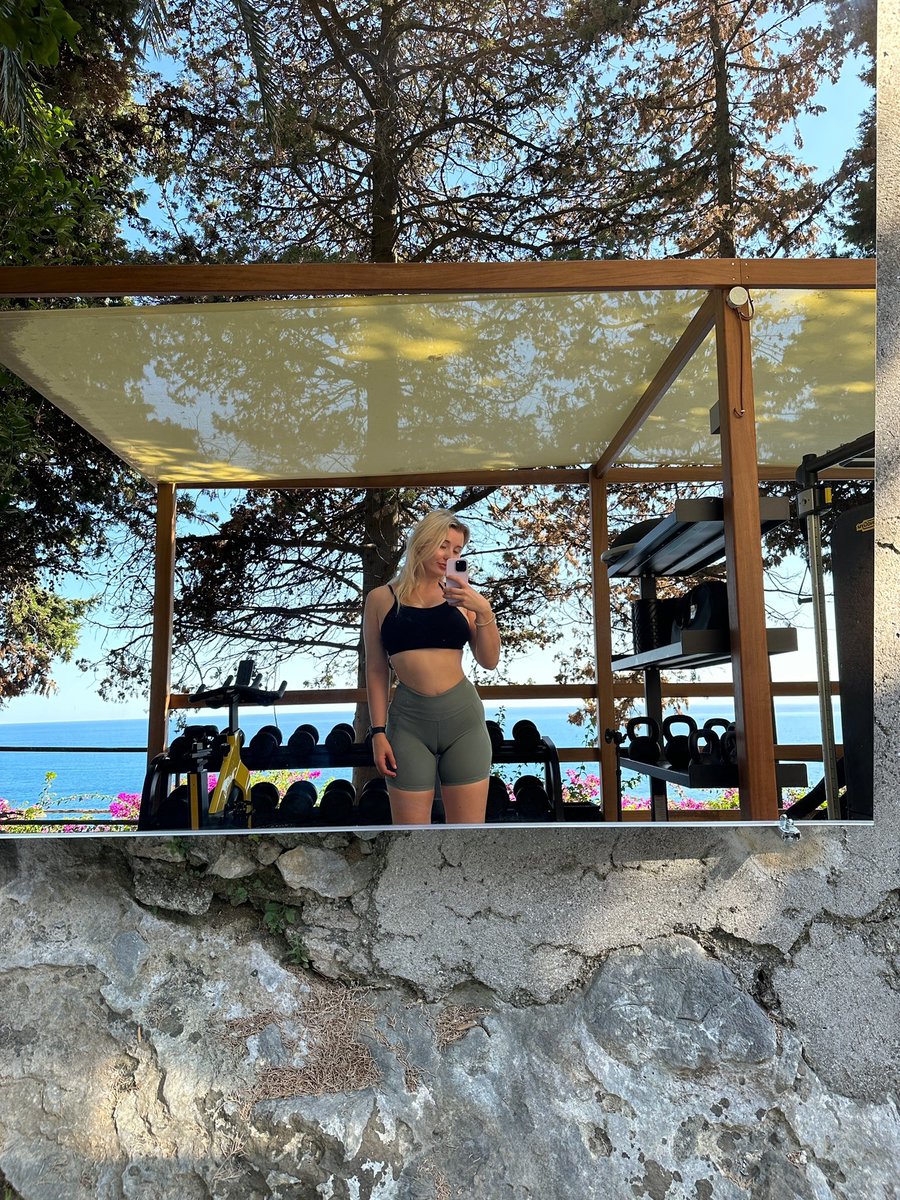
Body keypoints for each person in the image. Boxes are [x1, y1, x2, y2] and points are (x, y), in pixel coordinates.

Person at [363, 509, 500, 825]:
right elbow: (376, 669)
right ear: (422, 542)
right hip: (409, 724)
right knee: (411, 839)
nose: (450, 556)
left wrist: (483, 609)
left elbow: (489, 660)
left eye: (457, 550)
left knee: (467, 838)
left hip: (463, 721)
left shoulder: (463, 598)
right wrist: (378, 732)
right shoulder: (381, 599)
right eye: (443, 545)